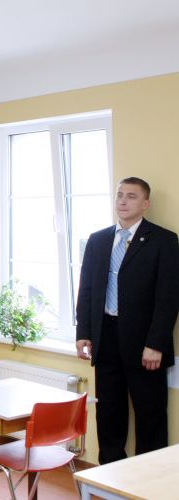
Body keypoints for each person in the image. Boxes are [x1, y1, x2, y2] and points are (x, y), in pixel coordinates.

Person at [76, 176, 179, 464]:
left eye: (131, 196)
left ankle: (149, 480)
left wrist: (156, 344)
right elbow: (87, 289)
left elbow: (168, 297)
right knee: (109, 413)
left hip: (145, 344)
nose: (123, 200)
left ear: (145, 204)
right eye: (120, 194)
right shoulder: (98, 240)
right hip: (106, 338)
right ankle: (109, 477)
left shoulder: (164, 240)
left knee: (150, 415)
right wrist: (83, 331)